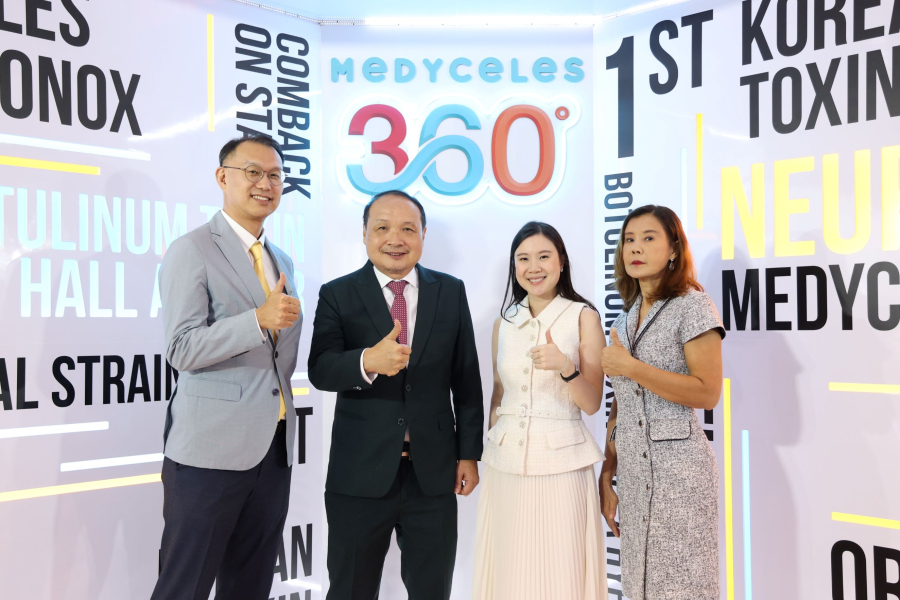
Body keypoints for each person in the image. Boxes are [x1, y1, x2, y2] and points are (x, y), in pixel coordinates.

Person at [308, 190, 484, 600]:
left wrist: (469, 454)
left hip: (433, 473)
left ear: (423, 234)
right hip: (359, 471)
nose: (395, 239)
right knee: (350, 590)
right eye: (382, 228)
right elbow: (320, 369)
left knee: (432, 591)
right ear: (365, 234)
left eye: (407, 229)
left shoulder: (450, 291)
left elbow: (467, 380)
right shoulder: (338, 293)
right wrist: (367, 361)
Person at [151, 134, 302, 600]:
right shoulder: (191, 249)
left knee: (249, 587)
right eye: (252, 172)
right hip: (208, 455)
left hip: (272, 451)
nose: (265, 184)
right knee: (184, 587)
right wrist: (257, 320)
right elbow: (181, 348)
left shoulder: (281, 260)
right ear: (223, 177)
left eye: (274, 175)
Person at [472, 221, 608, 600]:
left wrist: (566, 366)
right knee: (509, 570)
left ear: (561, 262)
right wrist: (489, 447)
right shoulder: (504, 323)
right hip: (504, 465)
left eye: (544, 256)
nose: (534, 267)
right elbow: (498, 396)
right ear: (514, 266)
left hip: (562, 465)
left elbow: (592, 403)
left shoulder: (582, 316)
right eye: (523, 259)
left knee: (560, 569)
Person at [598, 204, 724, 600]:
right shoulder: (623, 321)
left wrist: (632, 367)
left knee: (684, 586)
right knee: (639, 588)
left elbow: (707, 392)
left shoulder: (693, 304)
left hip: (680, 475)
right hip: (634, 476)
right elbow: (621, 406)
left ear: (673, 249)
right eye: (629, 239)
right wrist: (608, 472)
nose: (635, 247)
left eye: (648, 238)